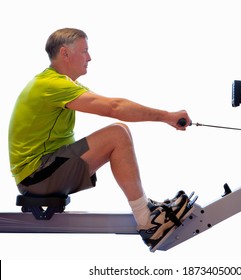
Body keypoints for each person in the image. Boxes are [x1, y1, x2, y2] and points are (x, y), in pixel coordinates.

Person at [8, 28, 193, 249]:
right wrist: (167, 116)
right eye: (84, 51)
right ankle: (147, 221)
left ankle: (145, 209)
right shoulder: (51, 85)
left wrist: (165, 117)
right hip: (37, 176)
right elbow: (113, 107)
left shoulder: (61, 84)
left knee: (119, 130)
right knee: (117, 134)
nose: (89, 58)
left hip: (42, 172)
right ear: (65, 53)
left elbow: (112, 104)